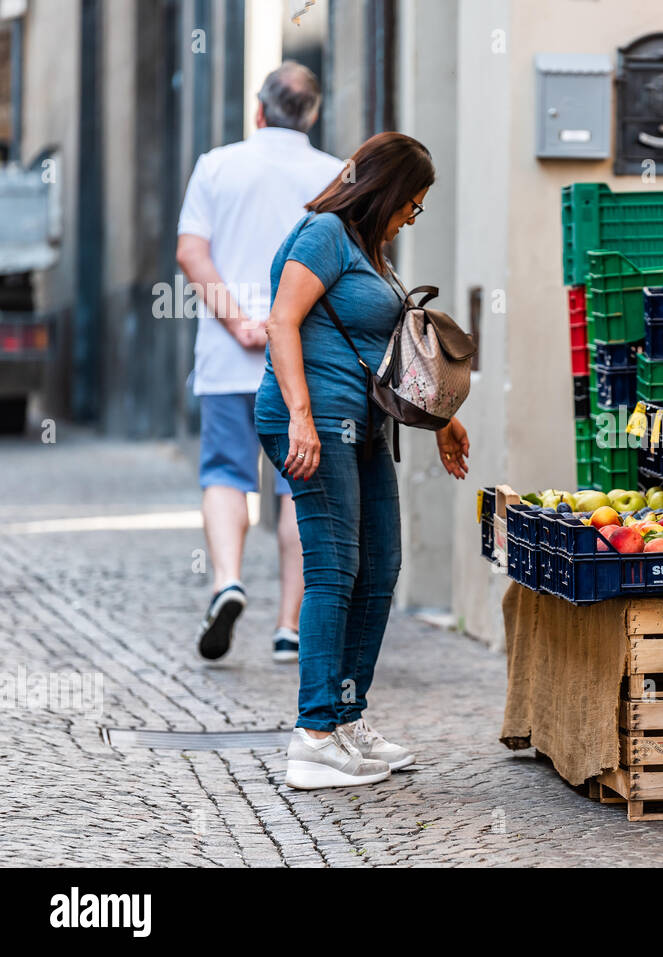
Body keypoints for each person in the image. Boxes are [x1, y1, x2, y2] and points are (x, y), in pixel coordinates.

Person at [255, 131, 471, 790]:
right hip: (312, 421)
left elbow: (388, 351)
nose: (414, 215)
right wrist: (299, 414)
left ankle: (345, 718)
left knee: (381, 566)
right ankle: (313, 735)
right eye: (413, 201)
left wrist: (441, 418)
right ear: (386, 189)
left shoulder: (370, 253)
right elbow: (281, 322)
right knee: (334, 567)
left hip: (364, 424)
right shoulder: (324, 233)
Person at [177, 61, 344, 664]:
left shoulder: (217, 165)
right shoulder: (334, 177)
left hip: (228, 359)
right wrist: (280, 326)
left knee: (225, 473)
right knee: (297, 486)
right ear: (313, 114)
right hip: (306, 364)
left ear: (258, 110)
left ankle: (226, 580)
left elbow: (192, 253)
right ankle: (288, 627)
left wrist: (238, 322)